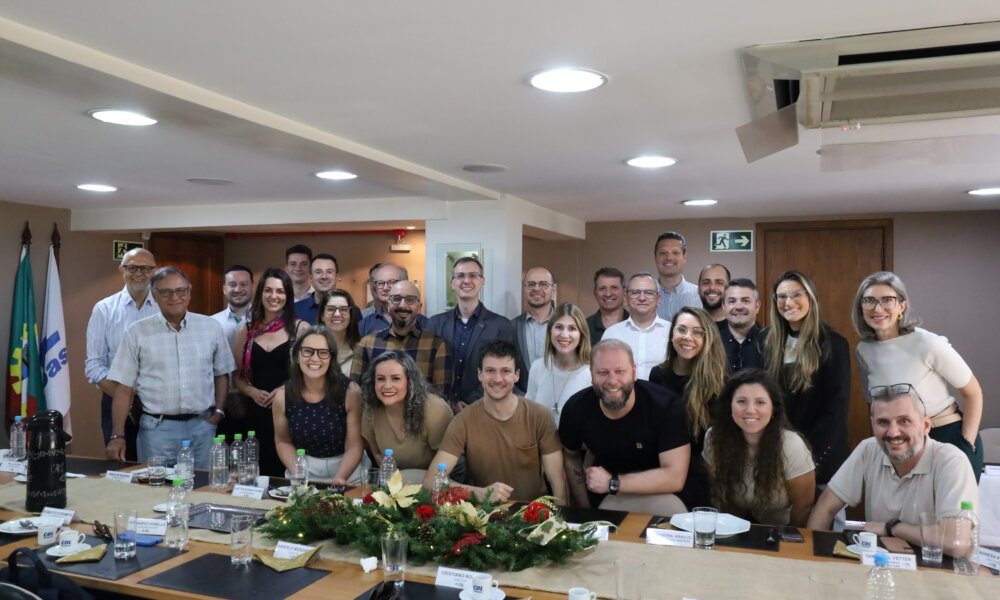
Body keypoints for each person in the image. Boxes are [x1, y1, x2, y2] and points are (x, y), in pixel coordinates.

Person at [808, 383, 978, 556]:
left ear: (926, 425)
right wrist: (810, 558)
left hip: (937, 567)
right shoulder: (868, 449)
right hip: (881, 566)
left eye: (904, 421)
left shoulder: (951, 461)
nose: (893, 432)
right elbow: (825, 507)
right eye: (883, 422)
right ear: (872, 424)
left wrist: (892, 528)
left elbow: (956, 543)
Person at [852, 271, 984, 478]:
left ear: (902, 306)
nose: (877, 308)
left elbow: (973, 393)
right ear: (861, 307)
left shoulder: (928, 343)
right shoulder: (864, 350)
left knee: (951, 501)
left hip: (945, 437)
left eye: (887, 300)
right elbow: (874, 404)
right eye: (869, 300)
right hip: (899, 442)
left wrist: (967, 442)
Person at [105, 266, 234, 467]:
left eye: (180, 291)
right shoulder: (137, 332)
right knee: (155, 484)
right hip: (157, 431)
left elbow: (222, 373)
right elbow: (123, 387)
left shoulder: (211, 327)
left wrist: (218, 412)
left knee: (205, 483)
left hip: (202, 428)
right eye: (165, 292)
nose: (174, 297)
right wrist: (117, 435)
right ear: (154, 295)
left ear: (189, 293)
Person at [423, 341, 567, 503]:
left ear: (517, 375)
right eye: (490, 371)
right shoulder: (463, 422)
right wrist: (479, 493)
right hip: (483, 512)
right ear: (479, 374)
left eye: (505, 371)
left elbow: (558, 482)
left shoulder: (539, 416)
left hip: (534, 512)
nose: (497, 379)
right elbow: (431, 482)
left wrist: (559, 517)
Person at [560, 340, 691, 514]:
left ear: (634, 372)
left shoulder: (666, 405)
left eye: (620, 371)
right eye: (602, 372)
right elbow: (571, 457)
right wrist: (586, 510)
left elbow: (675, 478)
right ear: (591, 375)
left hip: (661, 493)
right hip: (607, 496)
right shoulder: (576, 408)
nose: (612, 381)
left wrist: (613, 482)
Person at [762, 270, 850, 488]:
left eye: (796, 294)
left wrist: (805, 456)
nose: (788, 302)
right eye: (782, 296)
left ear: (811, 297)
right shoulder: (764, 340)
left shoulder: (833, 344)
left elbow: (835, 409)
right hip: (774, 455)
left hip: (819, 457)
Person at [703, 369, 815, 527]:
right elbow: (721, 498)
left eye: (760, 402)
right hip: (736, 528)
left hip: (782, 530)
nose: (750, 410)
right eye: (741, 401)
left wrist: (788, 538)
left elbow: (803, 507)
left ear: (773, 409)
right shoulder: (714, 438)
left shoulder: (791, 445)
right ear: (729, 406)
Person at [648, 306, 727, 508]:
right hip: (663, 468)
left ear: (707, 338)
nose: (687, 337)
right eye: (681, 329)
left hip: (701, 474)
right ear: (672, 334)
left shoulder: (719, 381)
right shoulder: (657, 374)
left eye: (697, 332)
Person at [232, 268, 309, 476]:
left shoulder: (300, 329)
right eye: (268, 290)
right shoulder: (247, 330)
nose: (274, 296)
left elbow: (310, 375)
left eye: (280, 291)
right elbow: (237, 376)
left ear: (288, 296)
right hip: (253, 411)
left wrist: (284, 389)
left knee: (285, 474)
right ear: (260, 294)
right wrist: (252, 392)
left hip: (289, 411)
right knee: (254, 472)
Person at [85, 247, 159, 460]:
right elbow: (94, 365)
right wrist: (125, 398)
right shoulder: (104, 309)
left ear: (154, 271)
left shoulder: (164, 308)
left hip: (158, 405)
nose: (139, 273)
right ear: (121, 269)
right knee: (121, 465)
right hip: (115, 401)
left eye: (145, 268)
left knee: (156, 466)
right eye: (132, 267)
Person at [272, 326, 368, 484]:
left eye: (323, 353)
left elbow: (355, 445)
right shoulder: (282, 396)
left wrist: (339, 479)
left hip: (347, 470)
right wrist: (299, 473)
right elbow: (283, 441)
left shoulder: (351, 392)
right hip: (303, 468)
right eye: (308, 351)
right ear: (297, 356)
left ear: (331, 358)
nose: (315, 359)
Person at [426, 256, 516, 410]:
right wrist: (449, 402)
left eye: (473, 275)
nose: (466, 281)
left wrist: (473, 402)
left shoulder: (501, 326)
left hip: (485, 408)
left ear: (482, 281)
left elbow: (505, 371)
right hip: (441, 408)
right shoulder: (434, 324)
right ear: (452, 283)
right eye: (460, 276)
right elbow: (427, 370)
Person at [360, 351, 454, 482]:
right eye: (380, 379)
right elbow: (377, 454)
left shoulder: (435, 410)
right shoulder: (371, 411)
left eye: (395, 378)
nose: (387, 386)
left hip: (435, 481)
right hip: (393, 482)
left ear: (410, 381)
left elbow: (450, 461)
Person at [352, 281, 451, 397]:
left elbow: (441, 396)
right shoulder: (367, 344)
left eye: (410, 299)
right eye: (396, 299)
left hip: (422, 409)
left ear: (419, 307)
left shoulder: (436, 345)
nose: (402, 305)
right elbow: (356, 392)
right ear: (388, 305)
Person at [525, 303, 593, 425]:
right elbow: (528, 413)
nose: (564, 335)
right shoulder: (538, 367)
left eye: (572, 328)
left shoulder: (591, 373)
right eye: (559, 327)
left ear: (582, 335)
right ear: (550, 331)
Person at [601, 272, 670, 380]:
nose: (642, 298)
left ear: (658, 298)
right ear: (626, 298)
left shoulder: (671, 332)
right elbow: (602, 371)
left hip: (661, 391)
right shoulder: (611, 334)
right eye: (635, 292)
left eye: (649, 293)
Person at [512, 267, 557, 384]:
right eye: (531, 284)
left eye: (543, 284)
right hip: (522, 394)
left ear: (553, 289)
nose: (536, 289)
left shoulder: (566, 326)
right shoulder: (512, 327)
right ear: (524, 289)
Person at [358, 263, 428, 336]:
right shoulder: (364, 324)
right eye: (381, 283)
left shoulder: (424, 324)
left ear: (405, 283)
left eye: (392, 282)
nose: (385, 288)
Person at [717, 278, 764, 372]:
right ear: (723, 306)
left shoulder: (771, 341)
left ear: (757, 306)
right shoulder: (711, 343)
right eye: (732, 301)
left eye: (745, 301)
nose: (738, 307)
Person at [653, 231, 700, 322]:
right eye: (663, 253)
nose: (669, 258)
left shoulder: (699, 295)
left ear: (684, 256)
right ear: (655, 257)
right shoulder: (645, 296)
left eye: (675, 252)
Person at [318, 288, 364, 377]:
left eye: (343, 309)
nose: (337, 314)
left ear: (350, 315)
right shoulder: (308, 349)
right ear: (322, 315)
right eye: (331, 309)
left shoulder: (362, 351)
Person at [211, 264, 253, 347]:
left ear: (252, 287)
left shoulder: (266, 320)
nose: (238, 290)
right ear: (224, 289)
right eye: (232, 285)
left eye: (243, 284)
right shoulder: (211, 323)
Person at [585, 267, 629, 344]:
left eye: (614, 288)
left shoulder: (636, 325)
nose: (608, 294)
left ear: (625, 293)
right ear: (595, 294)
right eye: (602, 288)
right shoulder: (584, 327)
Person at [294, 253, 339, 323]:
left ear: (337, 277)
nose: (324, 276)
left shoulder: (351, 310)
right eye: (318, 272)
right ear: (311, 278)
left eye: (329, 272)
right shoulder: (295, 310)